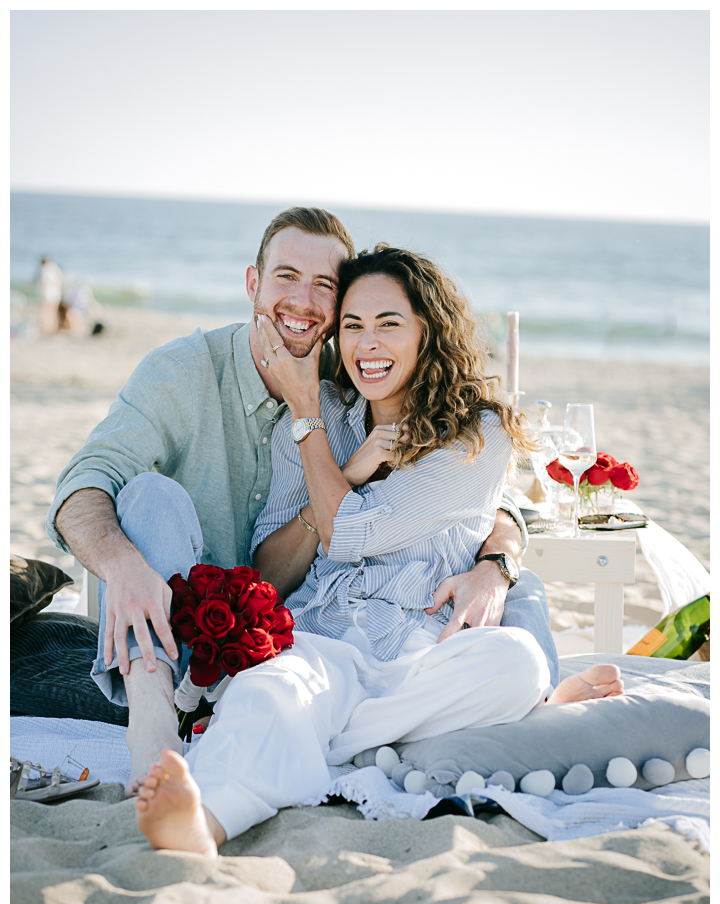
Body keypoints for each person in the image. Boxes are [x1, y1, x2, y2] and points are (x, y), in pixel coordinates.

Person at [46, 207, 557, 796]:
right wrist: (124, 569)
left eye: (325, 286)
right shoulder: (188, 373)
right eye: (286, 276)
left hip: (282, 639)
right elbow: (81, 484)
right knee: (148, 496)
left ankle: (340, 730)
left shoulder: (351, 376)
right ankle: (157, 722)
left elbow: (480, 492)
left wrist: (498, 560)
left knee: (522, 616)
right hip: (185, 636)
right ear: (252, 284)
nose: (304, 301)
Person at [133, 245, 622, 857]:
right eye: (353, 325)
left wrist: (304, 414)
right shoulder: (327, 416)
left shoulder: (479, 435)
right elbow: (271, 566)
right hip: (325, 637)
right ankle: (204, 823)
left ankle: (322, 744)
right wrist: (324, 429)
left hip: (423, 651)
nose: (368, 344)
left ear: (428, 331)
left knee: (517, 661)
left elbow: (351, 533)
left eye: (389, 323)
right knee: (272, 689)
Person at [37, 256, 63, 336]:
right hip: (55, 295)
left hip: (47, 295)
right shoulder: (55, 270)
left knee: (45, 314)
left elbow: (44, 284)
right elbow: (60, 282)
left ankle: (46, 330)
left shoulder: (45, 270)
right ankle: (52, 330)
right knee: (53, 313)